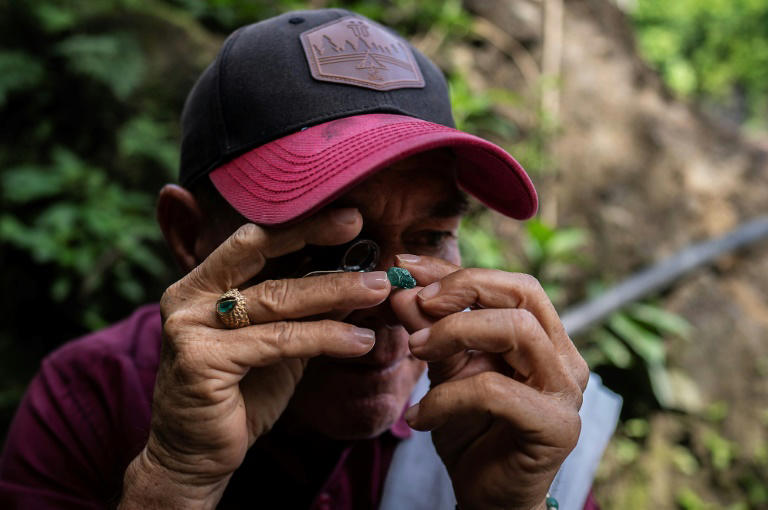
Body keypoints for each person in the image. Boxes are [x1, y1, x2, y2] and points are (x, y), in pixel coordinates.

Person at [0, 9, 621, 510]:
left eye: (431, 237)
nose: (385, 311)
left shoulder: (501, 413)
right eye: (325, 248)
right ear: (189, 234)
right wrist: (175, 479)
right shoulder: (95, 396)